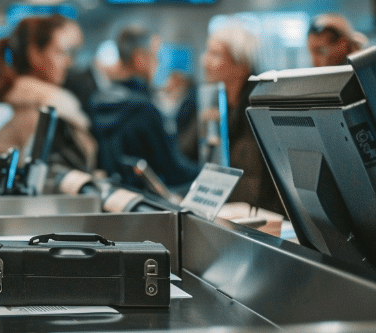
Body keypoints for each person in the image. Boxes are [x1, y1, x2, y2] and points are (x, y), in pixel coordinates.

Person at [90, 25, 199, 192]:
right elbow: (174, 172)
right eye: (155, 57)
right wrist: (210, 174)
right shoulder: (143, 110)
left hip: (117, 198)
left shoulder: (99, 100)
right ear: (140, 58)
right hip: (150, 203)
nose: (157, 64)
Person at [0, 14, 97, 176]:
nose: (68, 62)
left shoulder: (9, 99)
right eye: (60, 52)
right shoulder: (51, 110)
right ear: (35, 54)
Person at [200, 24, 285, 215]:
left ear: (242, 64)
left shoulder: (261, 110)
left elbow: (258, 184)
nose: (205, 61)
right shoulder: (215, 104)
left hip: (259, 218)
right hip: (230, 212)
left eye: (215, 54)